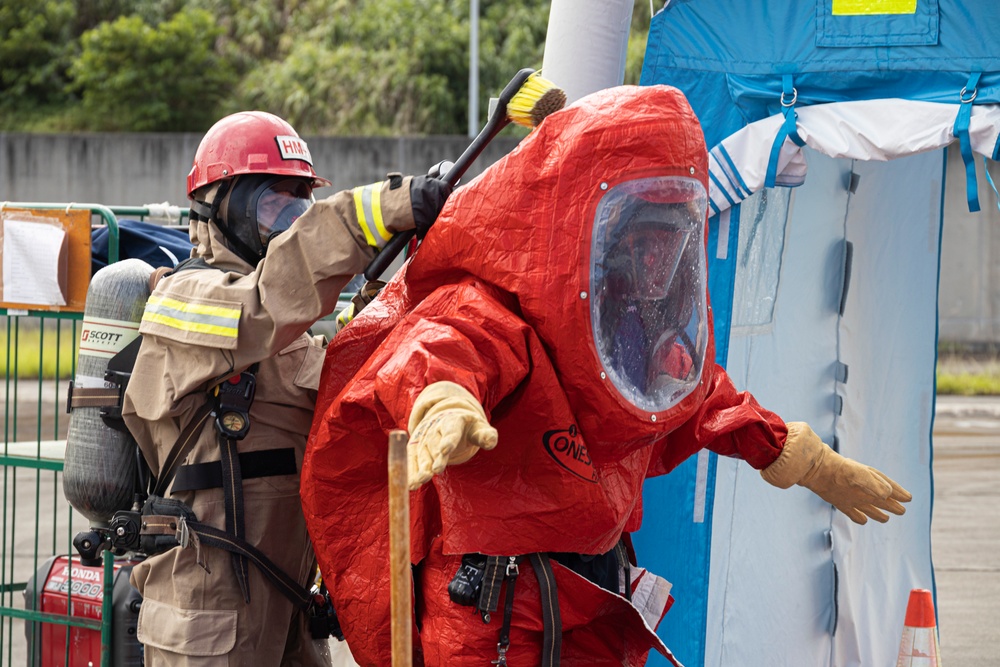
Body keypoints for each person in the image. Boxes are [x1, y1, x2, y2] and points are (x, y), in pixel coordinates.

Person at [300, 85, 911, 666]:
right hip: (496, 598)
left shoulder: (631, 327)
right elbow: (446, 343)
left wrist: (797, 455)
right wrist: (442, 404)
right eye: (644, 235)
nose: (659, 260)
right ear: (596, 228)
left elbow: (700, 395)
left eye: (672, 236)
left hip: (595, 577)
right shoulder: (507, 298)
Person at [120, 110, 451, 665]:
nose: (289, 223)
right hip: (207, 620)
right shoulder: (186, 300)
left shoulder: (281, 330)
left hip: (289, 609)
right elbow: (263, 304)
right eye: (273, 206)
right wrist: (381, 210)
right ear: (218, 206)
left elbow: (338, 394)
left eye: (298, 207)